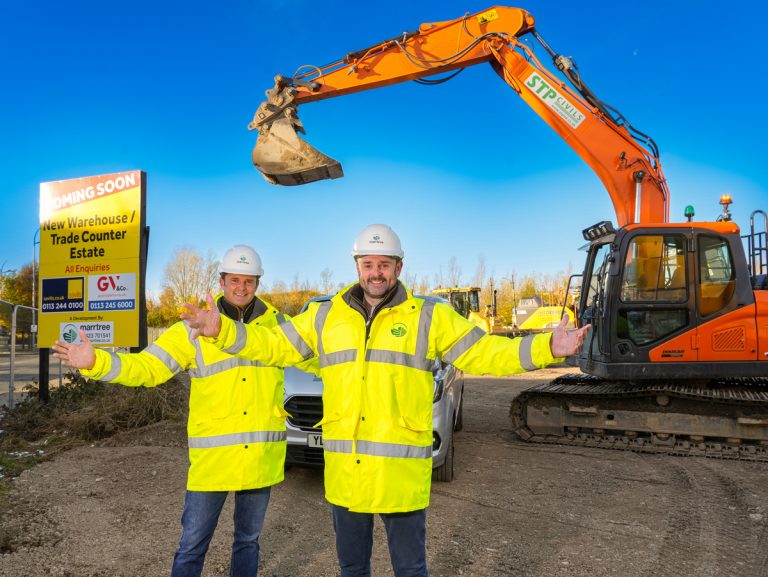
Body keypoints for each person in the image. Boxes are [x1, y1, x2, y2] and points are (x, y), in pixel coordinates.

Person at [182, 224, 590, 577]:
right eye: (368, 264)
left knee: (410, 569)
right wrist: (224, 332)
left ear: (399, 267)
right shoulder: (326, 317)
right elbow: (271, 345)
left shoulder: (429, 316)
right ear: (356, 266)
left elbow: (485, 353)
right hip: (348, 479)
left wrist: (546, 348)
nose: (376, 273)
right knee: (353, 570)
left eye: (384, 264)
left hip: (399, 479)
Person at [52, 244, 298, 577]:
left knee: (248, 542)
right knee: (192, 545)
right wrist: (98, 362)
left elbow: (320, 359)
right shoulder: (192, 329)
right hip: (212, 464)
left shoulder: (278, 326)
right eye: (234, 280)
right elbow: (148, 367)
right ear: (222, 281)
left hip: (260, 460)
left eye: (249, 281)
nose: (241, 288)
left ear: (258, 283)